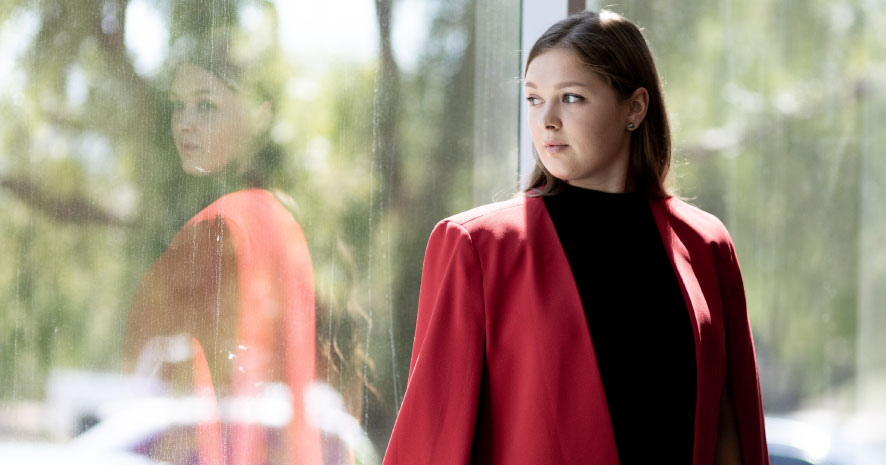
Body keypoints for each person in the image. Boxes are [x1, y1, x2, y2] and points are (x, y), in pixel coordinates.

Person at [383, 10, 768, 465]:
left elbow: (729, 427)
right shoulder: (477, 247)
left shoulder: (706, 245)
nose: (546, 119)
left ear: (635, 108)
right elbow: (432, 439)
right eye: (532, 98)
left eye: (571, 98)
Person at [122, 33, 323, 465]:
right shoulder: (273, 220)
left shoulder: (226, 226)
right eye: (179, 105)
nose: (183, 123)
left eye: (206, 105)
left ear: (259, 115)